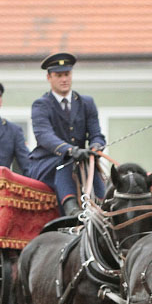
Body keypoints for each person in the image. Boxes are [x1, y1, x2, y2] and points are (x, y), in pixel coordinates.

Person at [26, 52, 106, 215]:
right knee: (67, 162)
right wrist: (70, 150)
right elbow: (44, 135)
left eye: (67, 74)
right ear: (49, 77)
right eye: (58, 75)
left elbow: (97, 134)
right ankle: (71, 207)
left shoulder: (86, 103)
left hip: (80, 162)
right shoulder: (41, 105)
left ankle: (103, 205)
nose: (64, 79)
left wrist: (95, 147)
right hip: (47, 163)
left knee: (91, 166)